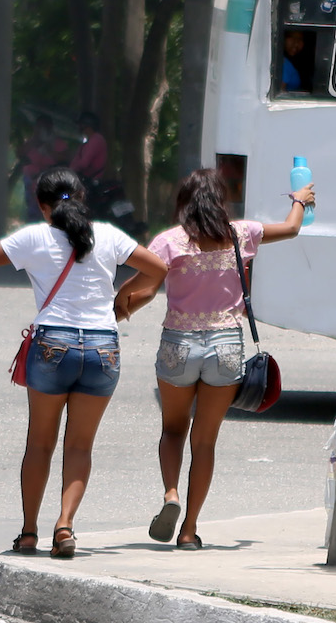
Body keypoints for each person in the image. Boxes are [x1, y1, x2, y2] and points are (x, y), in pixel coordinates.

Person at [0, 167, 166, 558]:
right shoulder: (108, 235)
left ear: (42, 205)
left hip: (53, 344)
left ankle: (28, 532)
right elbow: (158, 268)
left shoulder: (35, 237)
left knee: (40, 443)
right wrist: (122, 304)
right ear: (80, 197)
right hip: (102, 347)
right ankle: (64, 527)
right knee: (80, 446)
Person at [113, 168, 315, 550]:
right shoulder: (241, 234)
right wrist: (300, 200)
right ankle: (189, 530)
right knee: (204, 443)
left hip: (179, 343)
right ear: (220, 201)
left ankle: (171, 494)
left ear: (183, 202)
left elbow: (142, 288)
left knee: (173, 430)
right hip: (225, 346)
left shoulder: (169, 242)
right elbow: (290, 229)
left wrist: (118, 307)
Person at [20, 115, 68, 221]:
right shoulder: (32, 141)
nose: (41, 130)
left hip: (50, 182)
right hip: (31, 181)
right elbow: (20, 153)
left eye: (44, 127)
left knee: (49, 209)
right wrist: (34, 141)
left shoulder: (58, 143)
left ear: (50, 127)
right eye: (38, 127)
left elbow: (64, 158)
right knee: (32, 210)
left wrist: (48, 148)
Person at [69, 112, 107, 182]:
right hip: (84, 180)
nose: (79, 127)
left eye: (80, 124)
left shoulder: (96, 139)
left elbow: (84, 164)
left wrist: (72, 168)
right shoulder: (88, 141)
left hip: (90, 182)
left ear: (86, 125)